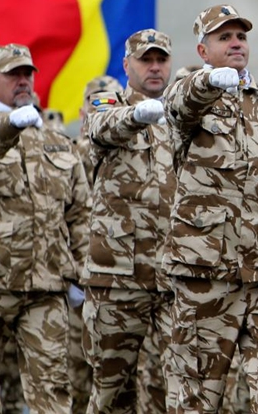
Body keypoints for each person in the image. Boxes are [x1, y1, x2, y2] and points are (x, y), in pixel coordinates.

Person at [0, 43, 90, 414]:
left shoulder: (58, 141)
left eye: (27, 74)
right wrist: (10, 123)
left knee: (53, 389)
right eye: (13, 74)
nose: (23, 80)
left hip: (45, 286)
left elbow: (79, 212)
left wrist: (82, 272)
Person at [162, 4, 258, 414]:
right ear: (203, 50)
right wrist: (209, 83)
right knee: (195, 397)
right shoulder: (192, 98)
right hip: (206, 274)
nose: (236, 44)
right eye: (224, 37)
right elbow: (180, 103)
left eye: (241, 37)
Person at [82, 29, 176, 414]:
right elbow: (100, 127)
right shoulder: (110, 104)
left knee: (179, 386)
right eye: (145, 60)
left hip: (172, 275)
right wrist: (136, 114)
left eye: (161, 60)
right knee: (111, 392)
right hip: (118, 276)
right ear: (126, 65)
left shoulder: (179, 115)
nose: (154, 68)